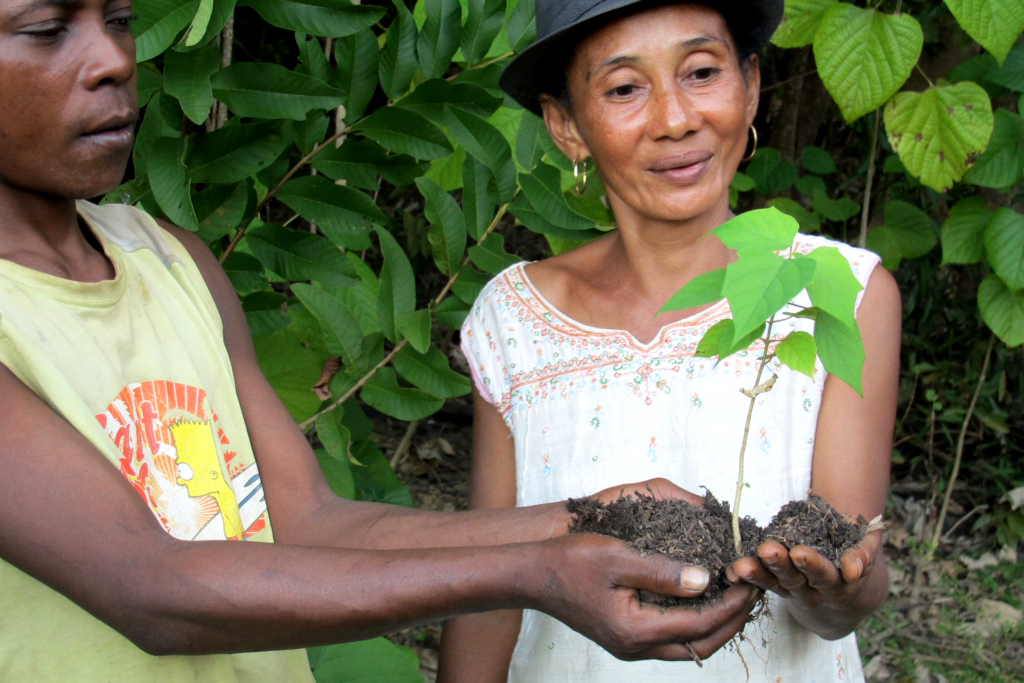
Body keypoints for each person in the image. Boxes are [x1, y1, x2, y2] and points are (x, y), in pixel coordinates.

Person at [0, 0, 762, 680]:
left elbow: (311, 524)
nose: (115, 60)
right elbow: (149, 587)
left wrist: (597, 514)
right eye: (45, 29)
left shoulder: (171, 261)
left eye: (122, 19)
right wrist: (540, 569)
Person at [439, 0, 901, 681]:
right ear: (566, 125)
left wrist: (837, 582)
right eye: (625, 87)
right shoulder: (515, 321)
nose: (675, 118)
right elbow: (487, 588)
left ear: (751, 88)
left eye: (702, 72)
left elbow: (838, 597)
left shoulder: (841, 293)